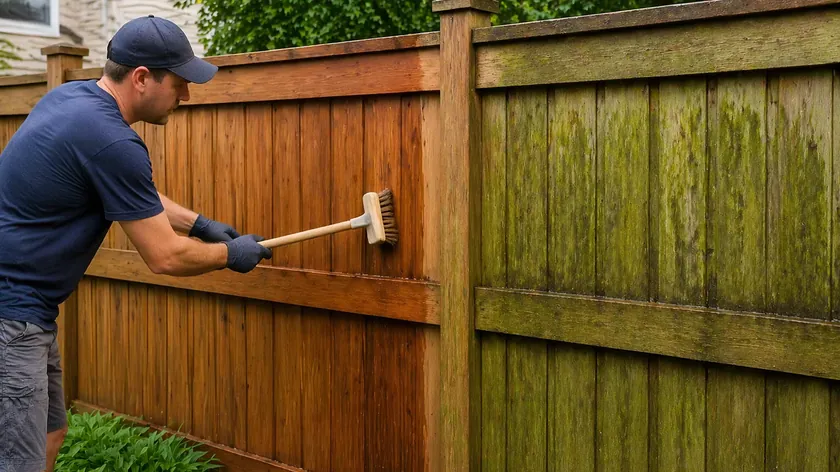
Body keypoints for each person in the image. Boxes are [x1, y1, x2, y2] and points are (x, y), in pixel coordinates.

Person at [0, 15, 272, 472]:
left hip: (27, 310)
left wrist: (200, 223)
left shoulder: (73, 100)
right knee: (17, 461)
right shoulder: (111, 138)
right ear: (143, 78)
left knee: (50, 433)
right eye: (180, 82)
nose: (185, 95)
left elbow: (131, 194)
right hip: (11, 317)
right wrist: (231, 254)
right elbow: (164, 256)